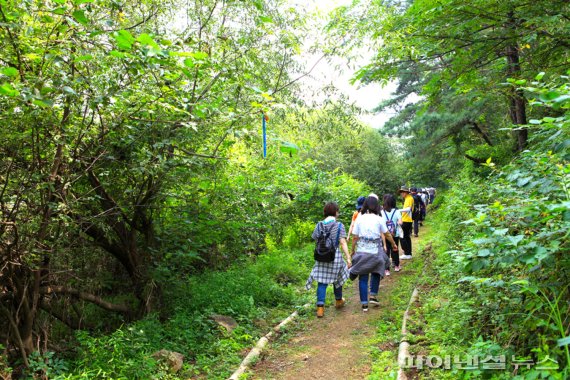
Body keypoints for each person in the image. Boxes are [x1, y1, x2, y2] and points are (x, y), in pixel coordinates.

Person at [349, 196, 398, 312]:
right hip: (375, 252)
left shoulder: (359, 218)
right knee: (377, 269)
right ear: (377, 206)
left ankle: (364, 304)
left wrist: (352, 250)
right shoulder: (379, 218)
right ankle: (373, 295)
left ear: (365, 205)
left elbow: (355, 237)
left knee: (363, 276)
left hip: (362, 251)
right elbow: (387, 234)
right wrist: (394, 244)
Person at [306, 202, 352, 318]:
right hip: (334, 256)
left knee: (322, 281)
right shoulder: (339, 225)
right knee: (338, 279)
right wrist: (348, 257)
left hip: (321, 257)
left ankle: (320, 308)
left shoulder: (319, 225)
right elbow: (342, 242)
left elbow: (315, 239)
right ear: (336, 212)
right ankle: (338, 300)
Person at [382, 194, 402, 273]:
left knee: (386, 250)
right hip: (395, 234)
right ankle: (397, 266)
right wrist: (397, 223)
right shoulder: (397, 211)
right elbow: (400, 222)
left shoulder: (382, 212)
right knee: (395, 249)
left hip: (385, 235)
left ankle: (387, 269)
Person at [398, 186, 414, 259]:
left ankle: (407, 253)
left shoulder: (409, 199)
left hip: (406, 220)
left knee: (402, 237)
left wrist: (398, 211)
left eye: (402, 192)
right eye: (401, 192)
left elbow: (408, 209)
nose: (401, 194)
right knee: (406, 237)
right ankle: (408, 253)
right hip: (407, 220)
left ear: (406, 192)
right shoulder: (407, 198)